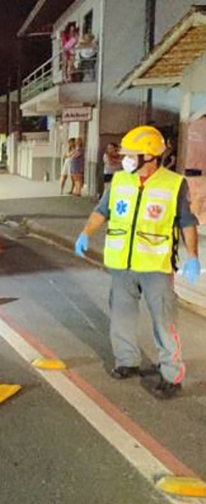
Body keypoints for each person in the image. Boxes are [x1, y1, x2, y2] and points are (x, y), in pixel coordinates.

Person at [74, 125, 200, 399]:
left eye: (132, 155)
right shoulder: (120, 180)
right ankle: (127, 361)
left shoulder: (173, 184)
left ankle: (171, 375)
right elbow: (101, 211)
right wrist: (85, 233)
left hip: (156, 266)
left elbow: (187, 222)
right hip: (122, 264)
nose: (126, 159)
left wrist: (193, 256)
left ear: (150, 156)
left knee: (164, 321)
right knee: (121, 315)